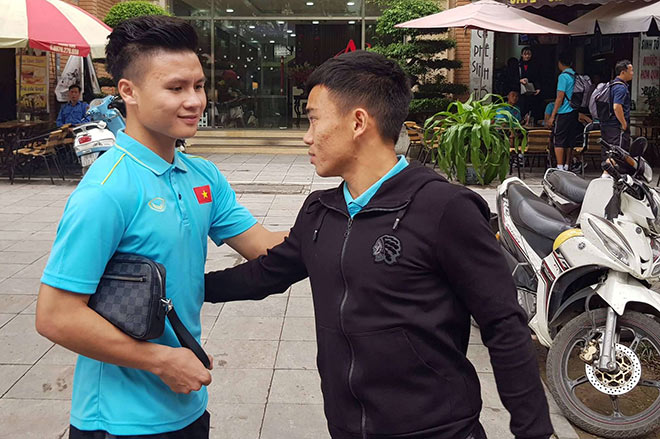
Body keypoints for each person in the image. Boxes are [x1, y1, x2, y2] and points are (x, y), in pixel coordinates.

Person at [204, 51, 555, 439]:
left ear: (358, 122)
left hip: (438, 429)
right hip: (346, 427)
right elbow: (265, 274)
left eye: (314, 119)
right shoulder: (320, 212)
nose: (307, 136)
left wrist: (533, 431)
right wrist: (189, 287)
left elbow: (503, 326)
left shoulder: (444, 208)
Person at [35, 16, 285, 439]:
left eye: (199, 86)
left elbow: (265, 246)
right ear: (128, 91)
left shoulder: (202, 176)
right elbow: (55, 316)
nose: (194, 101)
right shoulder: (107, 190)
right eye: (175, 88)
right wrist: (162, 361)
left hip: (187, 404)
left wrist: (347, 217)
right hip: (118, 421)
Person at [547, 52, 580, 171]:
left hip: (564, 111)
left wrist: (552, 116)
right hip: (574, 111)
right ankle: (567, 165)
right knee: (570, 139)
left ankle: (559, 166)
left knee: (559, 138)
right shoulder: (575, 75)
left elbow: (560, 97)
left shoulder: (563, 77)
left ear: (560, 63)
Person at [600, 59, 634, 157]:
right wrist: (624, 124)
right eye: (631, 71)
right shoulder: (620, 88)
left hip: (607, 124)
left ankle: (607, 167)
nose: (632, 73)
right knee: (617, 153)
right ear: (623, 72)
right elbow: (617, 106)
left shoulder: (612, 85)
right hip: (616, 126)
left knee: (608, 152)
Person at [519, 47, 541, 123]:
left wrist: (538, 88)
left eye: (529, 54)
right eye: (525, 54)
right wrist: (520, 80)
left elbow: (536, 77)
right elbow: (512, 77)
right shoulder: (518, 65)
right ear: (522, 55)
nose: (527, 56)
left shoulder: (535, 65)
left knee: (530, 106)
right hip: (520, 90)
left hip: (530, 90)